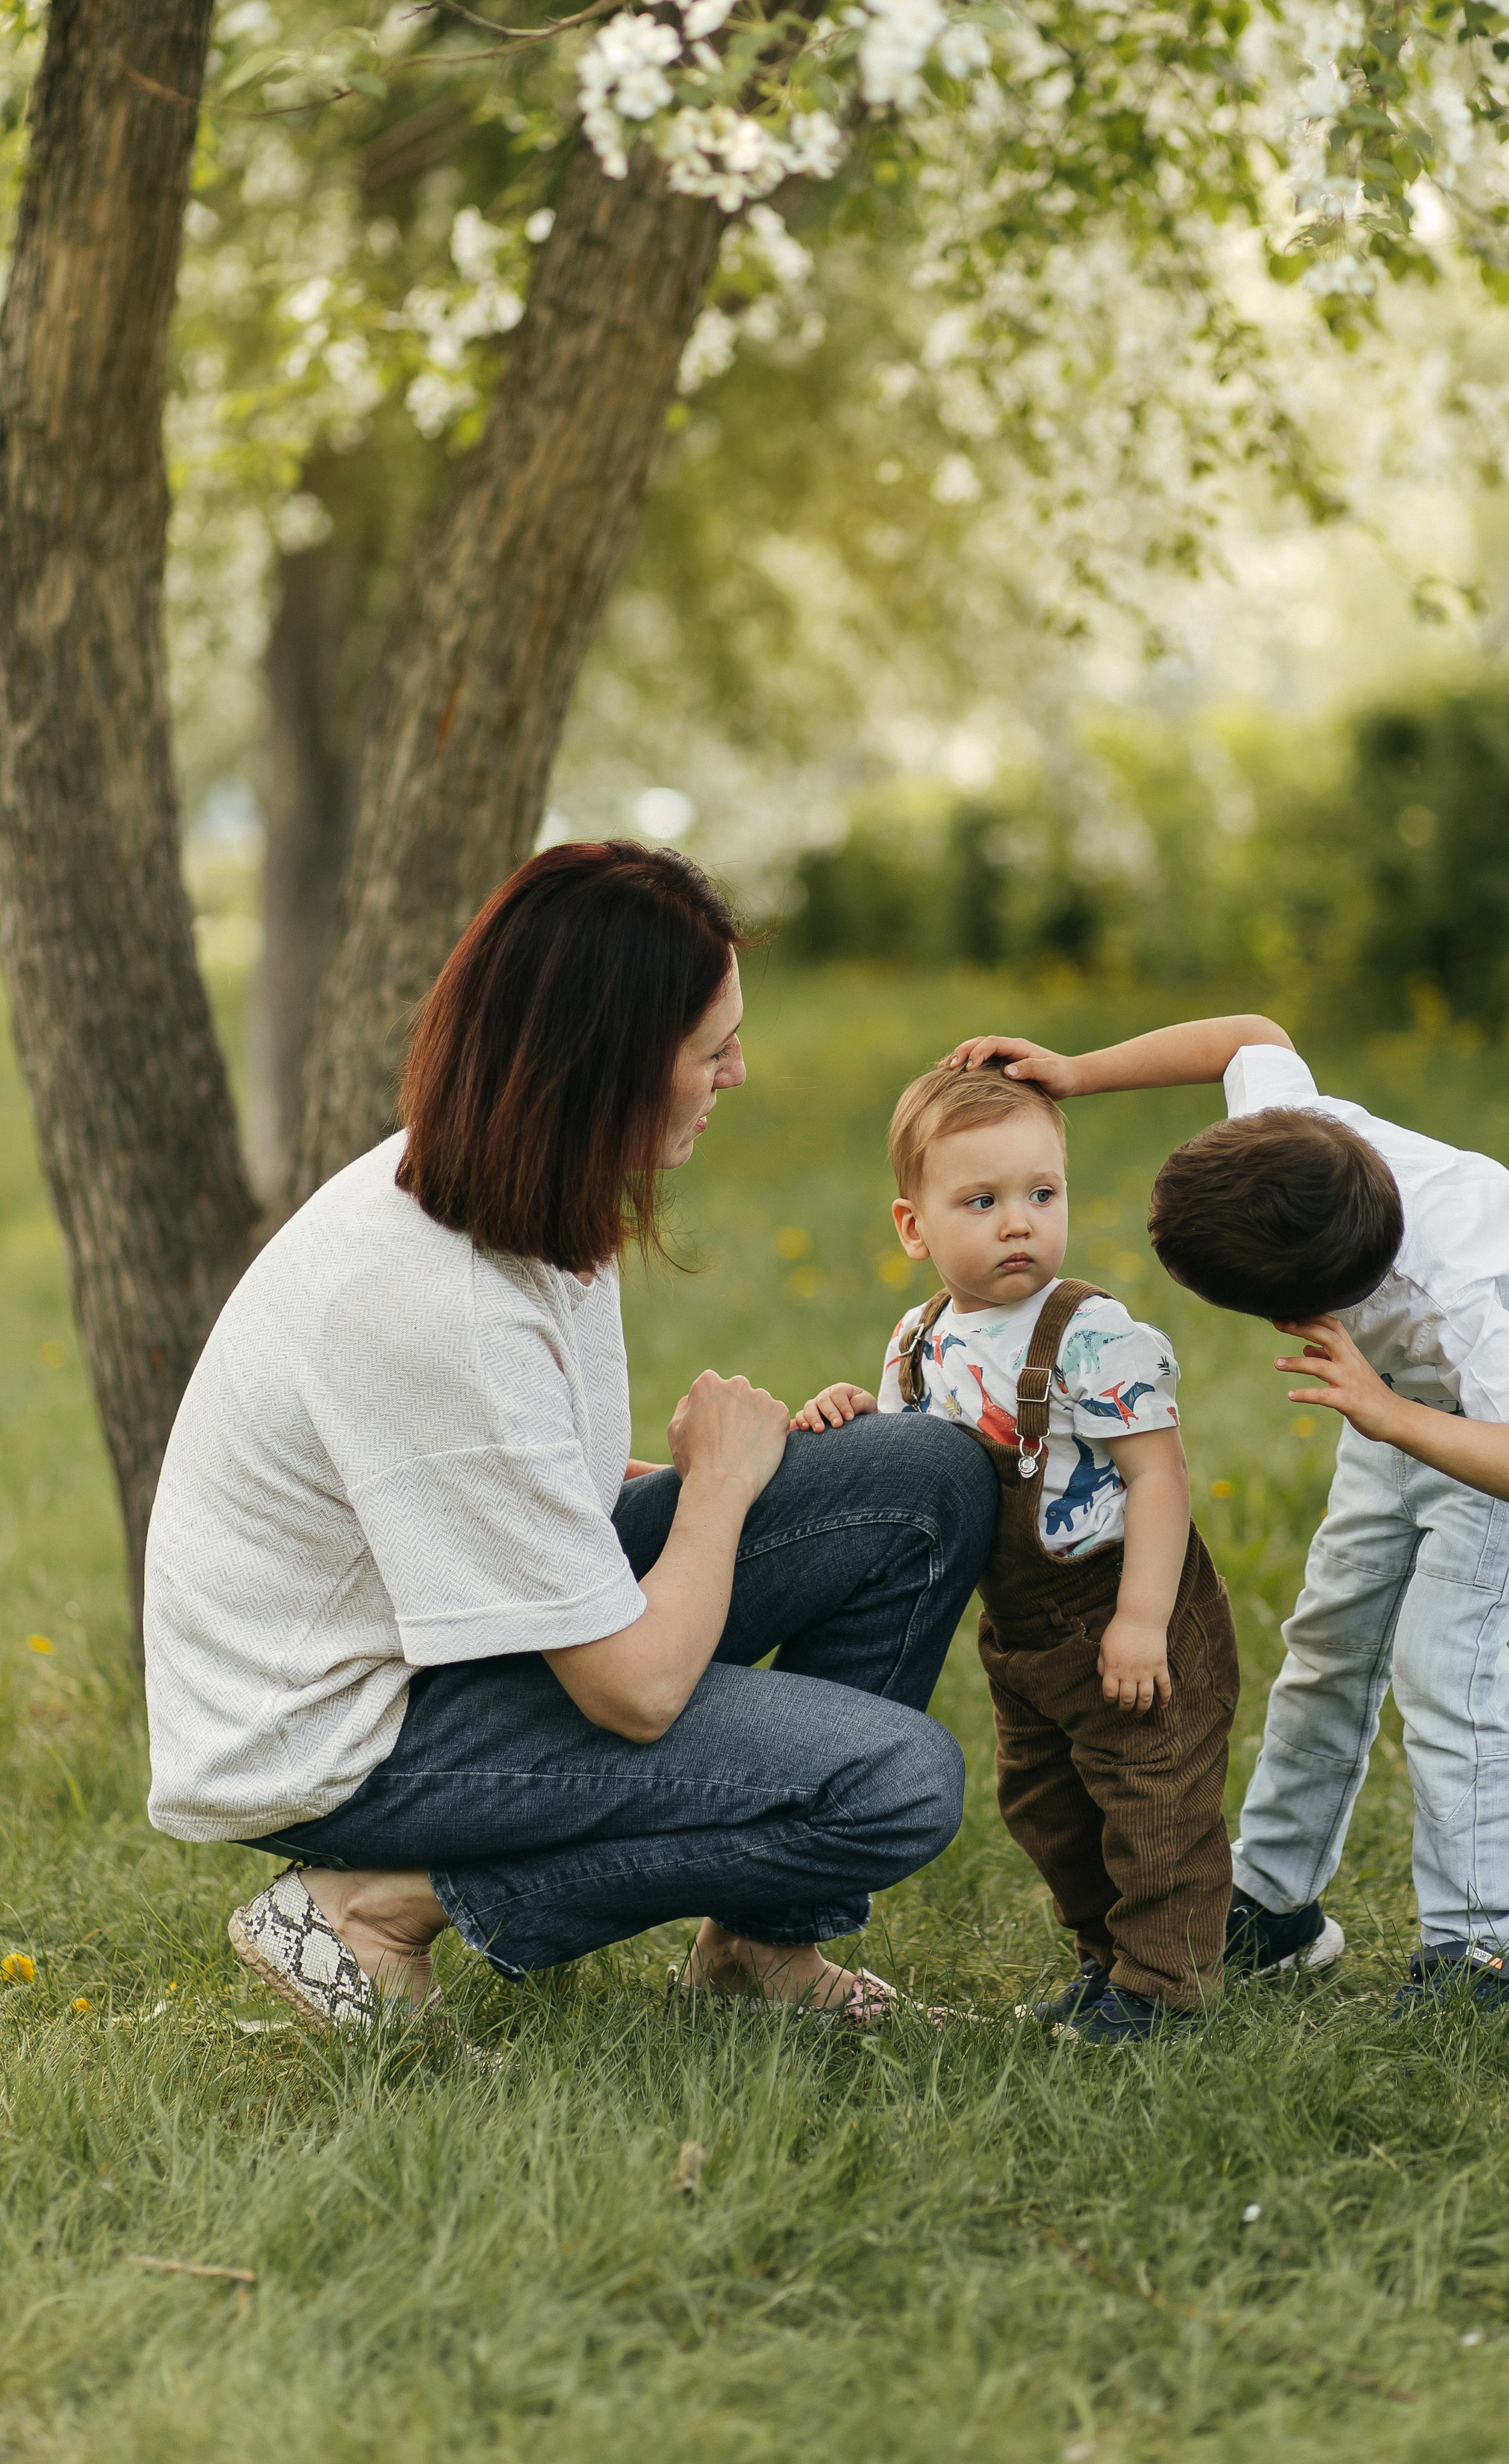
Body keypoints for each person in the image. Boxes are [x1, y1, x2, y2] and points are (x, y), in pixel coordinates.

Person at [143, 842, 996, 2036]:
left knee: (923, 1477)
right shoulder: (438, 1309)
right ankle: (374, 1904)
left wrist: (753, 1478)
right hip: (340, 1739)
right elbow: (636, 1696)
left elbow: (525, 1495)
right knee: (893, 1782)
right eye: (712, 1050)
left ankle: (756, 1948)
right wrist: (721, 1486)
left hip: (438, 1651)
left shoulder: (528, 1190)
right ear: (605, 1068)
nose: (738, 1073)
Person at [942, 1014, 1509, 2016]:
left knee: (1448, 1666)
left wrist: (1387, 1413)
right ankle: (1275, 1906)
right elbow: (1249, 1034)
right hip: (1395, 1391)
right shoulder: (1290, 1133)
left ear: (1295, 1315)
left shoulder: (1455, 1300)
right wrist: (1075, 1073)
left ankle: (1474, 1949)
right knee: (1329, 1640)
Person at [790, 1061, 1238, 2045]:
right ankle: (1105, 1961)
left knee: (1152, 1797)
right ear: (914, 1228)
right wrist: (850, 1418)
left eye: (1042, 1194)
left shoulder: (1091, 1336)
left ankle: (1167, 1985)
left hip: (1129, 1604)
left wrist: (1141, 1622)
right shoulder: (918, 1341)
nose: (1019, 1222)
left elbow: (1158, 1479)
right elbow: (909, 1460)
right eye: (981, 1201)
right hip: (1026, 1632)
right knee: (1046, 1800)